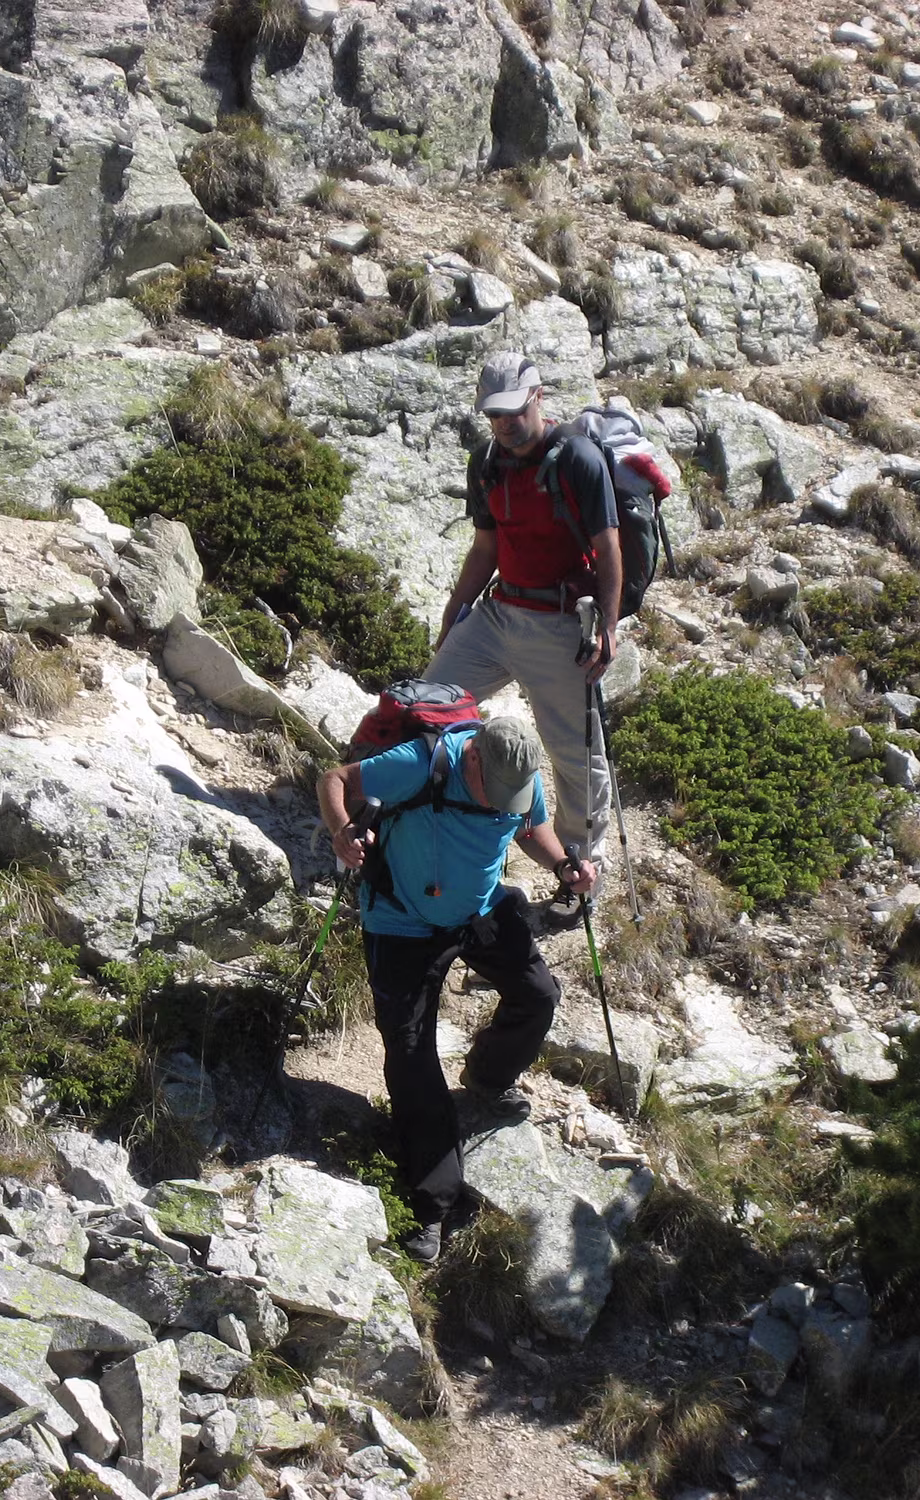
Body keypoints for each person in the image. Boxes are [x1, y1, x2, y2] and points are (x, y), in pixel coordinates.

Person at [317, 715, 598, 1262]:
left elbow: (529, 828)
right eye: (495, 791)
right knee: (410, 1050)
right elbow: (335, 779)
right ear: (472, 758)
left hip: (479, 910)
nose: (503, 801)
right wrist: (342, 831)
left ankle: (487, 1077)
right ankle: (432, 1204)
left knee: (538, 995)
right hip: (402, 921)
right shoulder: (419, 764)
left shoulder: (517, 775)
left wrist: (564, 865)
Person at [428, 353, 619, 918]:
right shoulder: (486, 461)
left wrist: (607, 628)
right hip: (498, 614)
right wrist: (455, 611)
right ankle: (403, 818)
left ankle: (580, 872)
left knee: (574, 756)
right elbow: (485, 546)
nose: (505, 423)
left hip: (560, 625)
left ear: (538, 398)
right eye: (494, 414)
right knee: (427, 709)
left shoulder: (578, 458)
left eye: (514, 410)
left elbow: (610, 550)